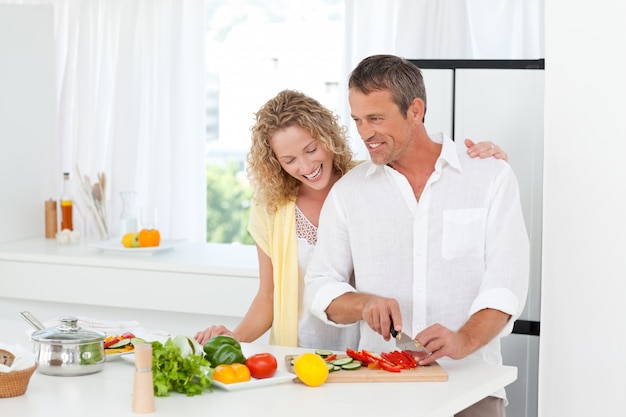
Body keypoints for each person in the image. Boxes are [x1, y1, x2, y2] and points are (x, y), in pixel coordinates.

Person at [194, 89, 508, 350]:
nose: (305, 166)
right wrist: (235, 339)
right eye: (289, 160)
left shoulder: (372, 181)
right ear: (275, 163)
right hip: (301, 356)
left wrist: (480, 164)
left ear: (327, 137)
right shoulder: (270, 209)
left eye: (311, 149)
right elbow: (268, 295)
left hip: (368, 353)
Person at [303, 55, 528, 417]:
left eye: (376, 118)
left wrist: (464, 338)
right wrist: (363, 304)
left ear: (415, 110)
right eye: (358, 120)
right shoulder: (349, 193)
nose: (365, 133)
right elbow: (319, 285)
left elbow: (507, 283)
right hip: (380, 391)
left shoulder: (488, 176)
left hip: (471, 389)